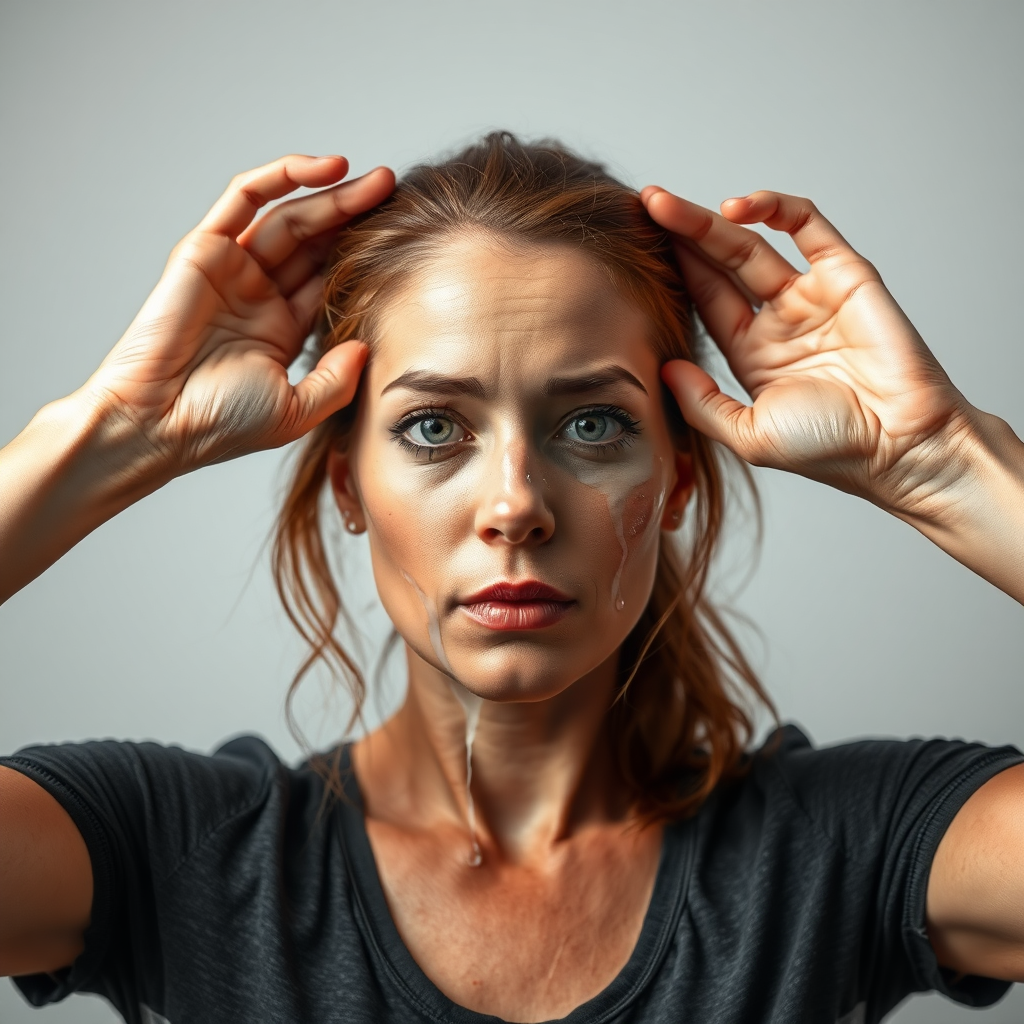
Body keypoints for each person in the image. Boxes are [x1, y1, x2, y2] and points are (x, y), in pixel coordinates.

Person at [0, 132, 1022, 1024]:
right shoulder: (177, 850)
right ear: (347, 483)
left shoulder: (851, 843)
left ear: (675, 477)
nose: (516, 505)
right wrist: (108, 434)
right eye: (433, 427)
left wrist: (940, 462)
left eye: (591, 423)